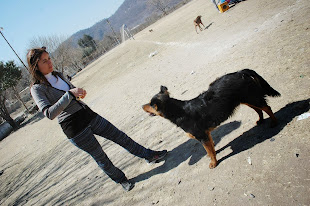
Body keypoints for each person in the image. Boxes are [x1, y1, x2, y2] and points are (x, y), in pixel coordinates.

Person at [27, 47, 167, 191]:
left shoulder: (58, 75)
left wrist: (79, 93)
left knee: (120, 136)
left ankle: (149, 155)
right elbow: (49, 113)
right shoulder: (37, 89)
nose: (50, 63)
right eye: (44, 61)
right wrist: (69, 95)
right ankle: (121, 180)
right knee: (101, 157)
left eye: (49, 58)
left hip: (88, 115)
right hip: (74, 128)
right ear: (35, 66)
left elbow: (72, 92)